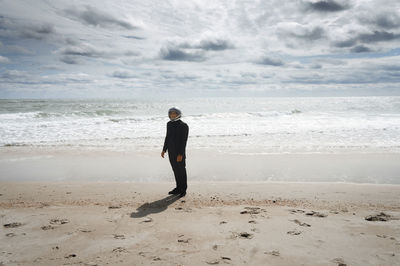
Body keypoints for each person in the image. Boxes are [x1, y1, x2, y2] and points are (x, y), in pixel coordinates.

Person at [161, 107, 189, 197]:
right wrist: (164, 149)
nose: (172, 115)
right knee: (175, 170)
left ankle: (183, 189)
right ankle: (178, 188)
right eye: (171, 113)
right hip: (171, 151)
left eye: (174, 113)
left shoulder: (183, 125)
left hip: (179, 152)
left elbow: (184, 141)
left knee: (181, 170)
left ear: (178, 114)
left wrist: (181, 154)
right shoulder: (169, 124)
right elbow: (167, 137)